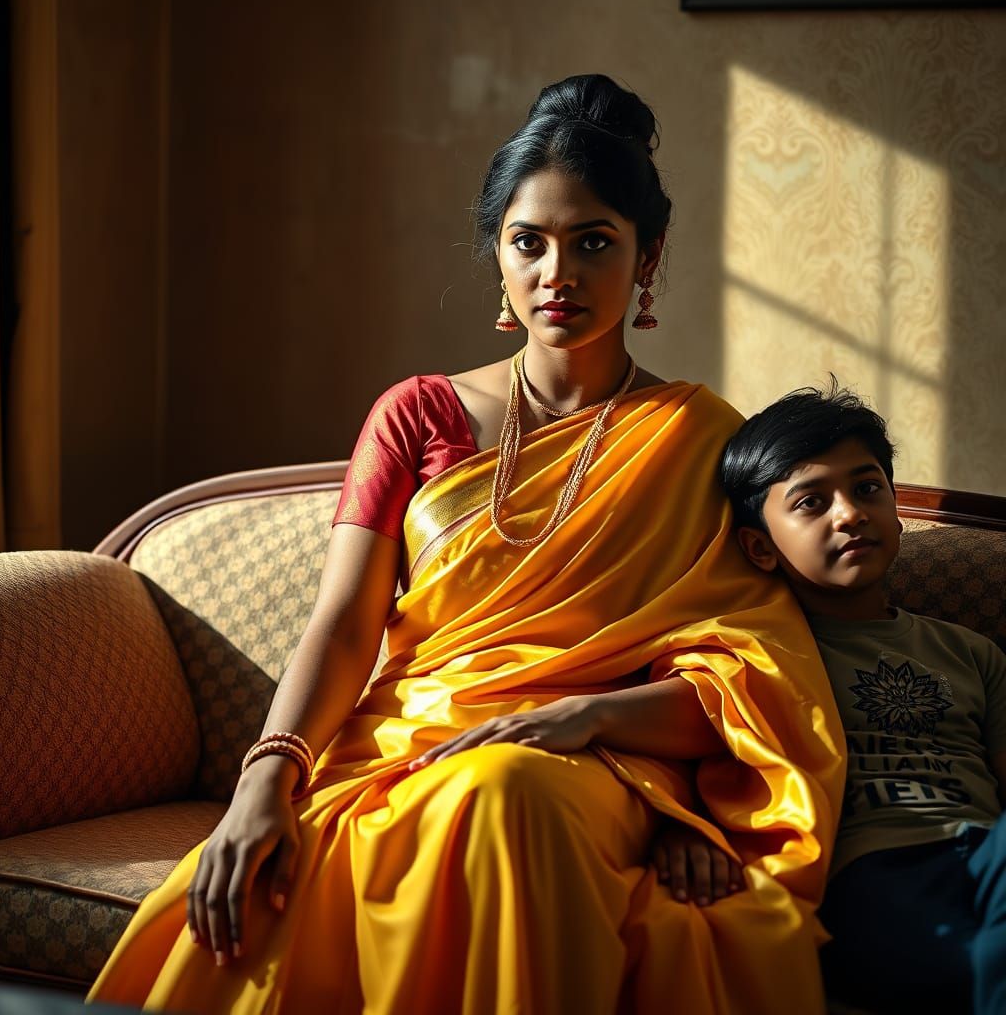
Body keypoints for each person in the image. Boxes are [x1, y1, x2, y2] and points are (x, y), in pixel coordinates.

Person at [88, 74, 844, 1014]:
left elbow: (753, 671)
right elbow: (342, 623)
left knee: (508, 791)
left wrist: (666, 793)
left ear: (648, 259)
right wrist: (267, 776)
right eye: (528, 243)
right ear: (497, 254)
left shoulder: (703, 439)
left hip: (598, 764)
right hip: (411, 743)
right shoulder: (417, 415)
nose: (555, 275)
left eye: (593, 243)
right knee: (443, 802)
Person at [698, 382, 1006, 1014]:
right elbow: (691, 746)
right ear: (760, 546)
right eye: (812, 502)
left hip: (989, 853)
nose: (849, 513)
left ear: (895, 507)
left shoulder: (972, 653)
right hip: (867, 872)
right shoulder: (753, 652)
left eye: (867, 488)